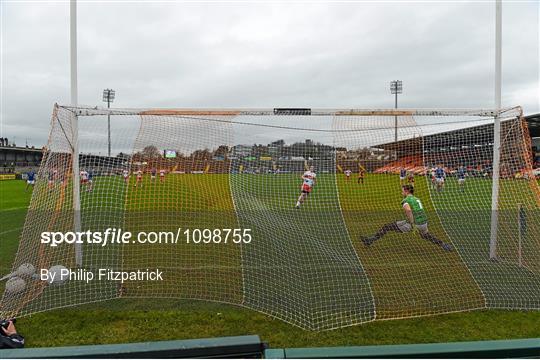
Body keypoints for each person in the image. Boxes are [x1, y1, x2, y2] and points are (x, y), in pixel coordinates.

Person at [360, 184, 453, 252]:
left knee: (387, 226)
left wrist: (412, 224)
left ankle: (370, 240)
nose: (402, 192)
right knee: (426, 235)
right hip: (424, 222)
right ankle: (443, 245)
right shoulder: (417, 199)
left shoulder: (406, 200)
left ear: (407, 191)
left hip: (414, 224)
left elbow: (408, 211)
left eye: (402, 190)